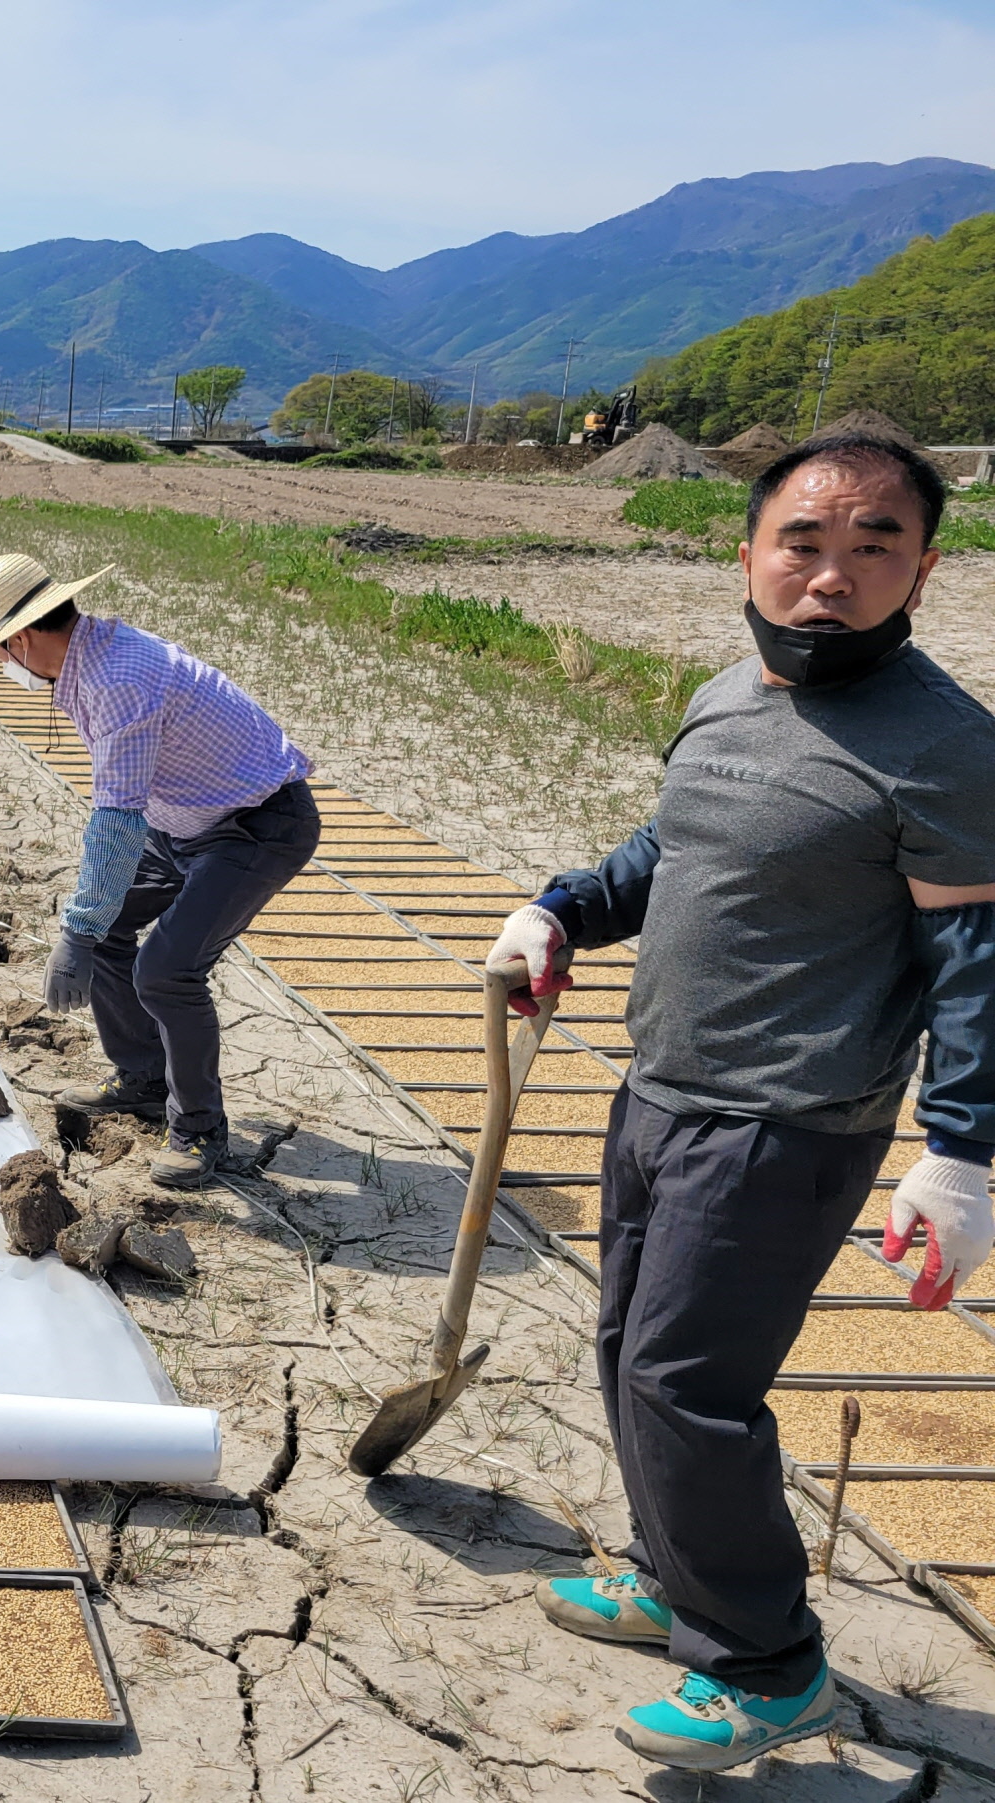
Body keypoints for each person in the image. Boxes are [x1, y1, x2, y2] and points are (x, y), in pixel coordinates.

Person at [486, 433, 995, 1771]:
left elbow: (973, 961)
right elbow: (680, 845)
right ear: (751, 551)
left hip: (787, 1118)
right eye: (805, 543)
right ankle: (673, 1570)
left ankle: (769, 1665)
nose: (832, 574)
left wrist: (963, 1154)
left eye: (873, 545)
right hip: (664, 1084)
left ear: (923, 568)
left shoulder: (946, 747)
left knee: (688, 1382)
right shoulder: (729, 693)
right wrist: (562, 909)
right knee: (626, 1350)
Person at [0, 554, 318, 1188]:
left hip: (258, 825)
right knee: (115, 932)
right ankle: (143, 1076)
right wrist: (94, 927)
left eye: (2, 653)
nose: (7, 667)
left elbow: (116, 822)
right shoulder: (92, 659)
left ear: (22, 637)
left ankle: (198, 1129)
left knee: (167, 971)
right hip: (186, 822)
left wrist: (78, 930)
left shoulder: (119, 679)